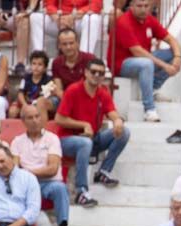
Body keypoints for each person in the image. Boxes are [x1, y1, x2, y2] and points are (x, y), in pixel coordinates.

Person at [54, 58, 129, 207]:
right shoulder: (74, 90)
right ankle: (81, 191)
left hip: (92, 139)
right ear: (86, 73)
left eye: (100, 73)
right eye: (93, 71)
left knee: (124, 133)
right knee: (85, 143)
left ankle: (103, 172)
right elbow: (59, 119)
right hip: (67, 140)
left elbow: (112, 111)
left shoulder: (102, 92)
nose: (96, 75)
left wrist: (118, 121)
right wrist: (83, 124)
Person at [11, 105, 72, 226]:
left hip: (47, 183)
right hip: (26, 185)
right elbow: (14, 169)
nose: (35, 121)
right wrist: (25, 174)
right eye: (30, 118)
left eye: (37, 116)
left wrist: (27, 171)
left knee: (60, 188)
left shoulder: (52, 139)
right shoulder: (17, 141)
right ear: (23, 121)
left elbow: (52, 169)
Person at [34, 0, 104, 59]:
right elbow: (49, 4)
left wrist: (73, 16)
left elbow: (96, 5)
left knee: (93, 18)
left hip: (80, 19)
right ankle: (38, 58)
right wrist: (58, 18)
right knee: (35, 17)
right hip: (60, 19)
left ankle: (84, 59)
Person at [12, 49, 58, 121]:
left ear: (45, 67)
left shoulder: (48, 80)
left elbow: (47, 96)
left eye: (40, 64)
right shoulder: (26, 78)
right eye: (34, 63)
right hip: (26, 103)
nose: (36, 67)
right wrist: (25, 105)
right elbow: (20, 93)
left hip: (39, 105)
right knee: (12, 111)